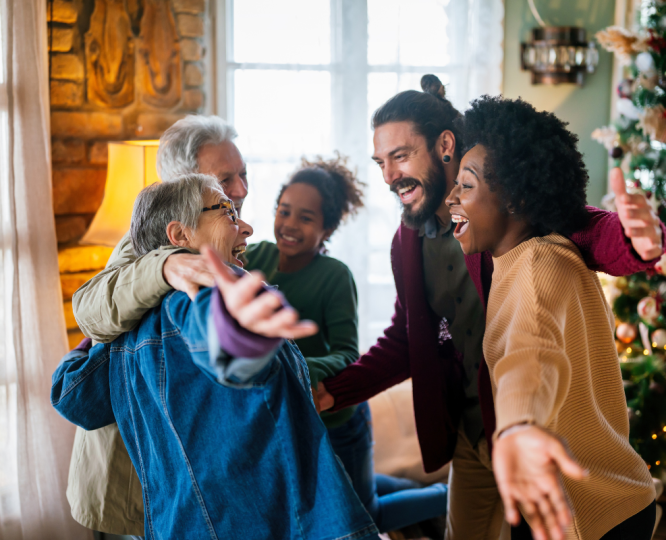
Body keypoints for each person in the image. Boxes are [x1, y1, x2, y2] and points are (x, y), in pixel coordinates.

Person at [314, 75, 666, 540]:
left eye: (400, 156)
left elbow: (540, 325)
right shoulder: (408, 241)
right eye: (381, 162)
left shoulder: (522, 233)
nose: (388, 176)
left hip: (532, 432)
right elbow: (408, 337)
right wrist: (334, 391)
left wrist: (638, 241)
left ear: (444, 145)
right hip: (471, 433)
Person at [53, 174, 379, 540]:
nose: (248, 227)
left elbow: (72, 396)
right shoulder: (194, 299)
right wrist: (242, 333)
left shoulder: (128, 330)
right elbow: (216, 340)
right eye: (227, 210)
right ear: (180, 236)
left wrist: (93, 341)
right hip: (256, 522)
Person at [446, 96, 657, 540]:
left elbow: (531, 352)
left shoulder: (539, 267)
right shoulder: (519, 257)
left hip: (591, 514)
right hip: (598, 500)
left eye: (465, 185)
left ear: (516, 197)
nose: (452, 197)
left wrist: (520, 424)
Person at [244, 154, 448, 533]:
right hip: (291, 420)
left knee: (363, 514)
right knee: (340, 495)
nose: (289, 225)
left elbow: (347, 354)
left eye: (305, 218)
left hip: (338, 418)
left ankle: (448, 495)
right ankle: (403, 488)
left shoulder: (334, 276)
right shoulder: (254, 256)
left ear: (327, 227)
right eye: (284, 212)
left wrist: (301, 367)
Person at [69, 115, 249, 538]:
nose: (241, 189)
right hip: (133, 483)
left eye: (244, 174)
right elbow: (91, 308)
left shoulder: (226, 234)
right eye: (226, 178)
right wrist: (165, 263)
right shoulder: (140, 242)